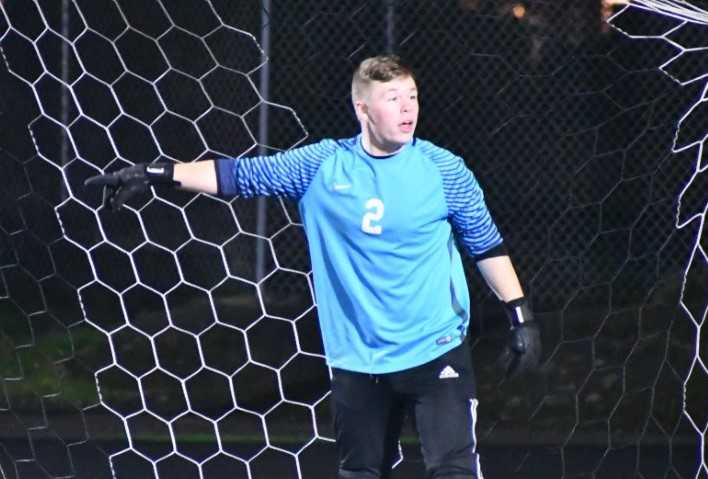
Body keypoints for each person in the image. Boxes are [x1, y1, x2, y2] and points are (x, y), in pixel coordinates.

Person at [86, 55, 541, 479]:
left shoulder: (444, 170)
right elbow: (239, 176)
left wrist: (520, 317)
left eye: (412, 96)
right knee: (361, 472)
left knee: (454, 469)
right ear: (362, 108)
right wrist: (160, 173)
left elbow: (485, 245)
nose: (407, 109)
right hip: (358, 360)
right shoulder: (322, 166)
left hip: (435, 348)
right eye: (393, 99)